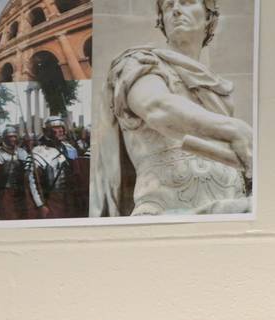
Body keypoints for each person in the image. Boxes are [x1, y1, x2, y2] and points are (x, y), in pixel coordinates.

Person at [97, 0, 253, 216]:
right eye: (168, 5)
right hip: (164, 217)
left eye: (187, 2)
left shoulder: (219, 92)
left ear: (209, 16)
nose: (177, 10)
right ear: (161, 19)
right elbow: (156, 107)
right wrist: (234, 129)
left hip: (227, 214)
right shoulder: (138, 63)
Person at [28, 116, 84, 219]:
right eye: (56, 128)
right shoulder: (38, 152)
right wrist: (40, 205)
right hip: (51, 199)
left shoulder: (70, 149)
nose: (61, 130)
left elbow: (77, 174)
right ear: (47, 131)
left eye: (61, 127)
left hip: (69, 198)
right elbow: (32, 181)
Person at [0, 129, 31, 220]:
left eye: (15, 136)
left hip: (21, 191)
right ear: (4, 138)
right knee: (8, 216)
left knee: (22, 216)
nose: (13, 139)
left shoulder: (22, 152)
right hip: (5, 191)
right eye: (10, 137)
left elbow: (28, 171)